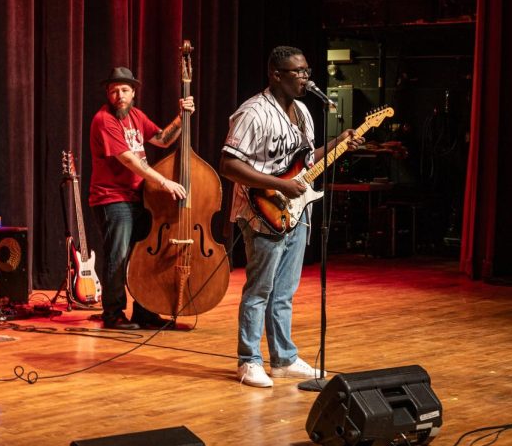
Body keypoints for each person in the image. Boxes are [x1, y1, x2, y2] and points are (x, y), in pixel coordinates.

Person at [219, 46, 363, 387]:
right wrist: (279, 185)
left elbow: (304, 162)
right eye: (296, 72)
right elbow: (228, 164)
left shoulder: (303, 112)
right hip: (261, 211)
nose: (304, 77)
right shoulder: (253, 113)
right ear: (276, 75)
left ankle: (283, 359)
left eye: (306, 70)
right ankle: (249, 360)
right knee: (259, 290)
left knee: (284, 292)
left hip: (296, 211)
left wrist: (338, 144)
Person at [88, 66, 193, 330]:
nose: (119, 95)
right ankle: (112, 313)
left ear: (133, 92)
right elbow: (129, 160)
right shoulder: (104, 119)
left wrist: (182, 118)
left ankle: (145, 311)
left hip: (138, 198)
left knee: (143, 256)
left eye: (124, 90)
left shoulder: (136, 115)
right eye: (113, 91)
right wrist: (164, 181)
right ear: (107, 94)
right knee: (119, 257)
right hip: (112, 199)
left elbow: (161, 139)